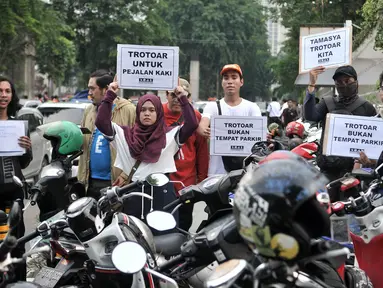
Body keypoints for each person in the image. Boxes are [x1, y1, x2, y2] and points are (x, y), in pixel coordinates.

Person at [95, 79, 198, 231]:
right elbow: (102, 122)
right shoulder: (124, 135)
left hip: (161, 197)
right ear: (138, 113)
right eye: (143, 110)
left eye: (152, 110)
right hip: (131, 196)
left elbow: (192, 124)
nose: (147, 113)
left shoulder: (169, 136)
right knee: (133, 241)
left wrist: (182, 96)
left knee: (163, 245)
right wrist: (110, 95)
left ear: (159, 113)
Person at [303, 65, 376, 200]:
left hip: (355, 173)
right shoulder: (328, 103)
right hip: (328, 171)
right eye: (339, 82)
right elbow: (310, 115)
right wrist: (312, 84)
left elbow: (375, 141)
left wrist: (370, 161)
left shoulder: (367, 108)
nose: (343, 85)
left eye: (347, 81)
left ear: (356, 82)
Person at [77, 70, 136, 199]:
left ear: (106, 90)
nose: (89, 93)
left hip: (116, 184)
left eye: (93, 89)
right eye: (89, 89)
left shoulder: (128, 110)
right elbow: (83, 142)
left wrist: (125, 176)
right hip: (89, 182)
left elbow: (138, 147)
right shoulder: (89, 110)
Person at [198, 64, 262, 175]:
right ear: (222, 83)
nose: (230, 81)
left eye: (234, 77)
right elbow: (203, 124)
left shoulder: (252, 107)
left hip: (245, 173)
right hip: (217, 174)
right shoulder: (212, 106)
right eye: (226, 78)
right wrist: (202, 129)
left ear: (241, 82)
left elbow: (259, 134)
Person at [163, 78, 209, 231]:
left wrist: (201, 182)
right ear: (166, 94)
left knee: (184, 226)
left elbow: (202, 152)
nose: (177, 100)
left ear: (188, 98)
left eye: (182, 96)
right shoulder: (156, 112)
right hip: (163, 183)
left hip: (187, 185)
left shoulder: (195, 117)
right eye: (173, 95)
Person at [0, 76, 32, 281]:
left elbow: (25, 163)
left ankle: (18, 282)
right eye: (0, 91)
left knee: (16, 242)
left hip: (14, 196)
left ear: (12, 96)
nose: (3, 95)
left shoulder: (17, 126)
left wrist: (26, 149)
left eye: (7, 91)